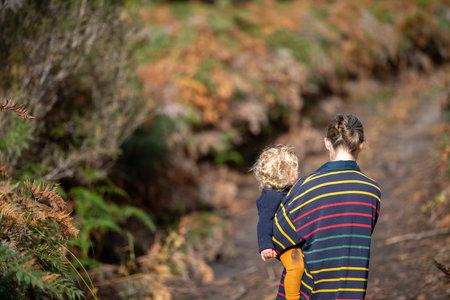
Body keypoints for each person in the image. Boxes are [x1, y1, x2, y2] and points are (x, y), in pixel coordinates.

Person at [272, 114, 381, 300]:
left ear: (327, 143)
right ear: (361, 145)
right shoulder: (372, 192)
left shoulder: (306, 187)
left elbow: (277, 238)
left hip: (307, 293)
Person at [251, 145, 305, 300]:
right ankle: (292, 297)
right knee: (296, 266)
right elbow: (263, 222)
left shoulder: (287, 189)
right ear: (282, 174)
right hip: (279, 241)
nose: (297, 173)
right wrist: (265, 246)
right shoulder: (270, 197)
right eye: (294, 170)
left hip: (290, 237)